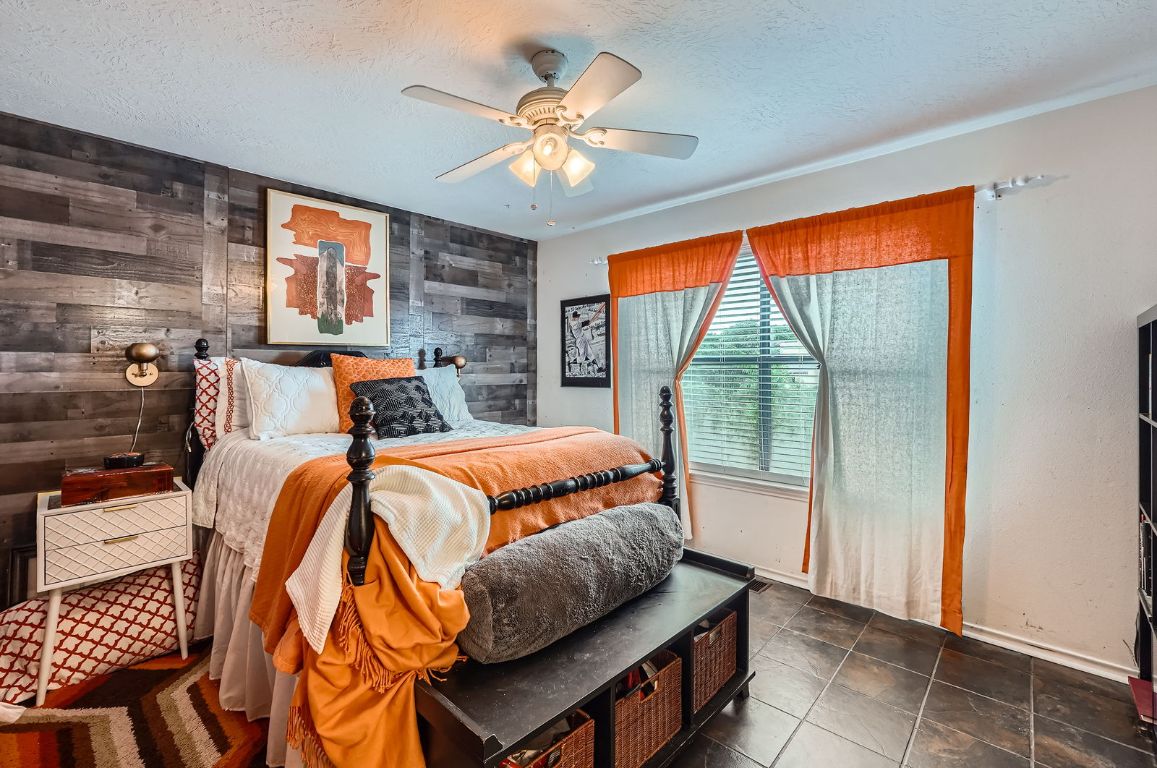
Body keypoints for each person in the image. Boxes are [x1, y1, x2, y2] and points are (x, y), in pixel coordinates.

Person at [566, 302, 605, 376]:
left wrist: (591, 320)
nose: (578, 317)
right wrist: (591, 321)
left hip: (583, 338)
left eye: (578, 316)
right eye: (577, 316)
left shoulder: (576, 322)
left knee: (590, 353)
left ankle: (598, 368)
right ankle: (571, 364)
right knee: (582, 356)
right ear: (574, 317)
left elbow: (585, 323)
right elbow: (584, 323)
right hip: (580, 340)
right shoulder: (574, 323)